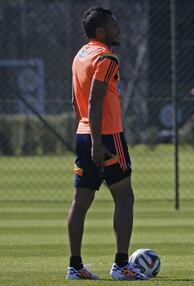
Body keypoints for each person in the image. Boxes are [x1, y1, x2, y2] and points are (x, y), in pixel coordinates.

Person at [66, 6, 148, 280]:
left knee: (81, 201)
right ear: (101, 31)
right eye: (113, 25)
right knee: (124, 197)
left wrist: (86, 133)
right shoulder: (107, 57)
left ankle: (75, 267)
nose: (118, 29)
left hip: (83, 131)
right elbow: (95, 100)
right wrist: (98, 142)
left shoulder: (80, 55)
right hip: (107, 136)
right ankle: (121, 266)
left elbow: (75, 102)